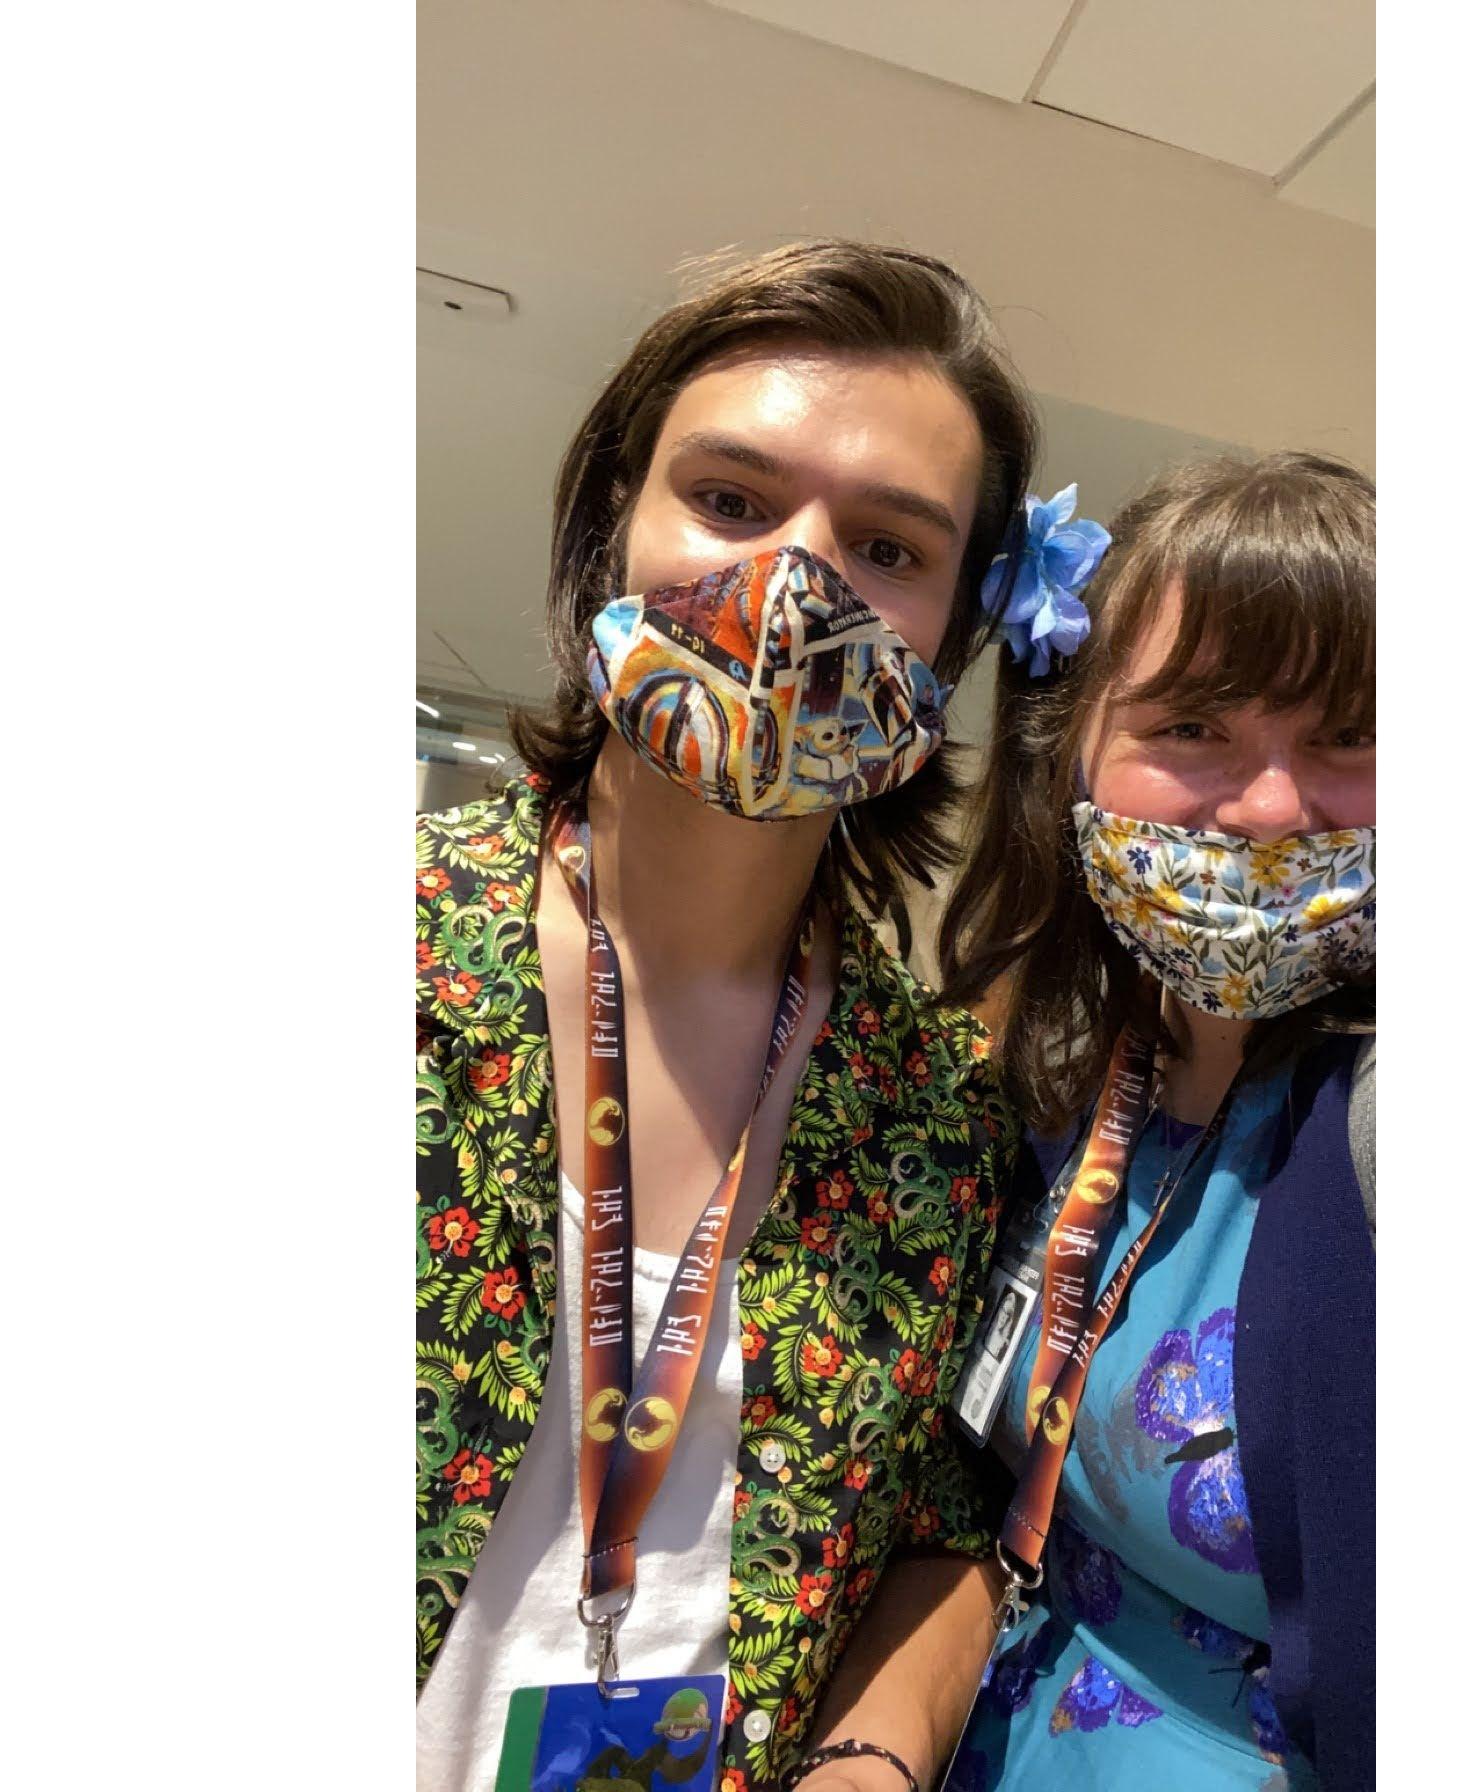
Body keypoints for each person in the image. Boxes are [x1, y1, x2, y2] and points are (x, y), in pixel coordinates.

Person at [415, 240, 1079, 1792]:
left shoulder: (935, 1120)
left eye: (890, 547)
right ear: (609, 533)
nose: (792, 583)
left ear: (949, 651)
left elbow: (942, 1520)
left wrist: (873, 1758)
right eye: (728, 499)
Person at [937, 452, 1376, 1791]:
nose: (1270, 806)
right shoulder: (1068, 1072)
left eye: (1351, 736)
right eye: (1193, 728)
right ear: (1067, 753)